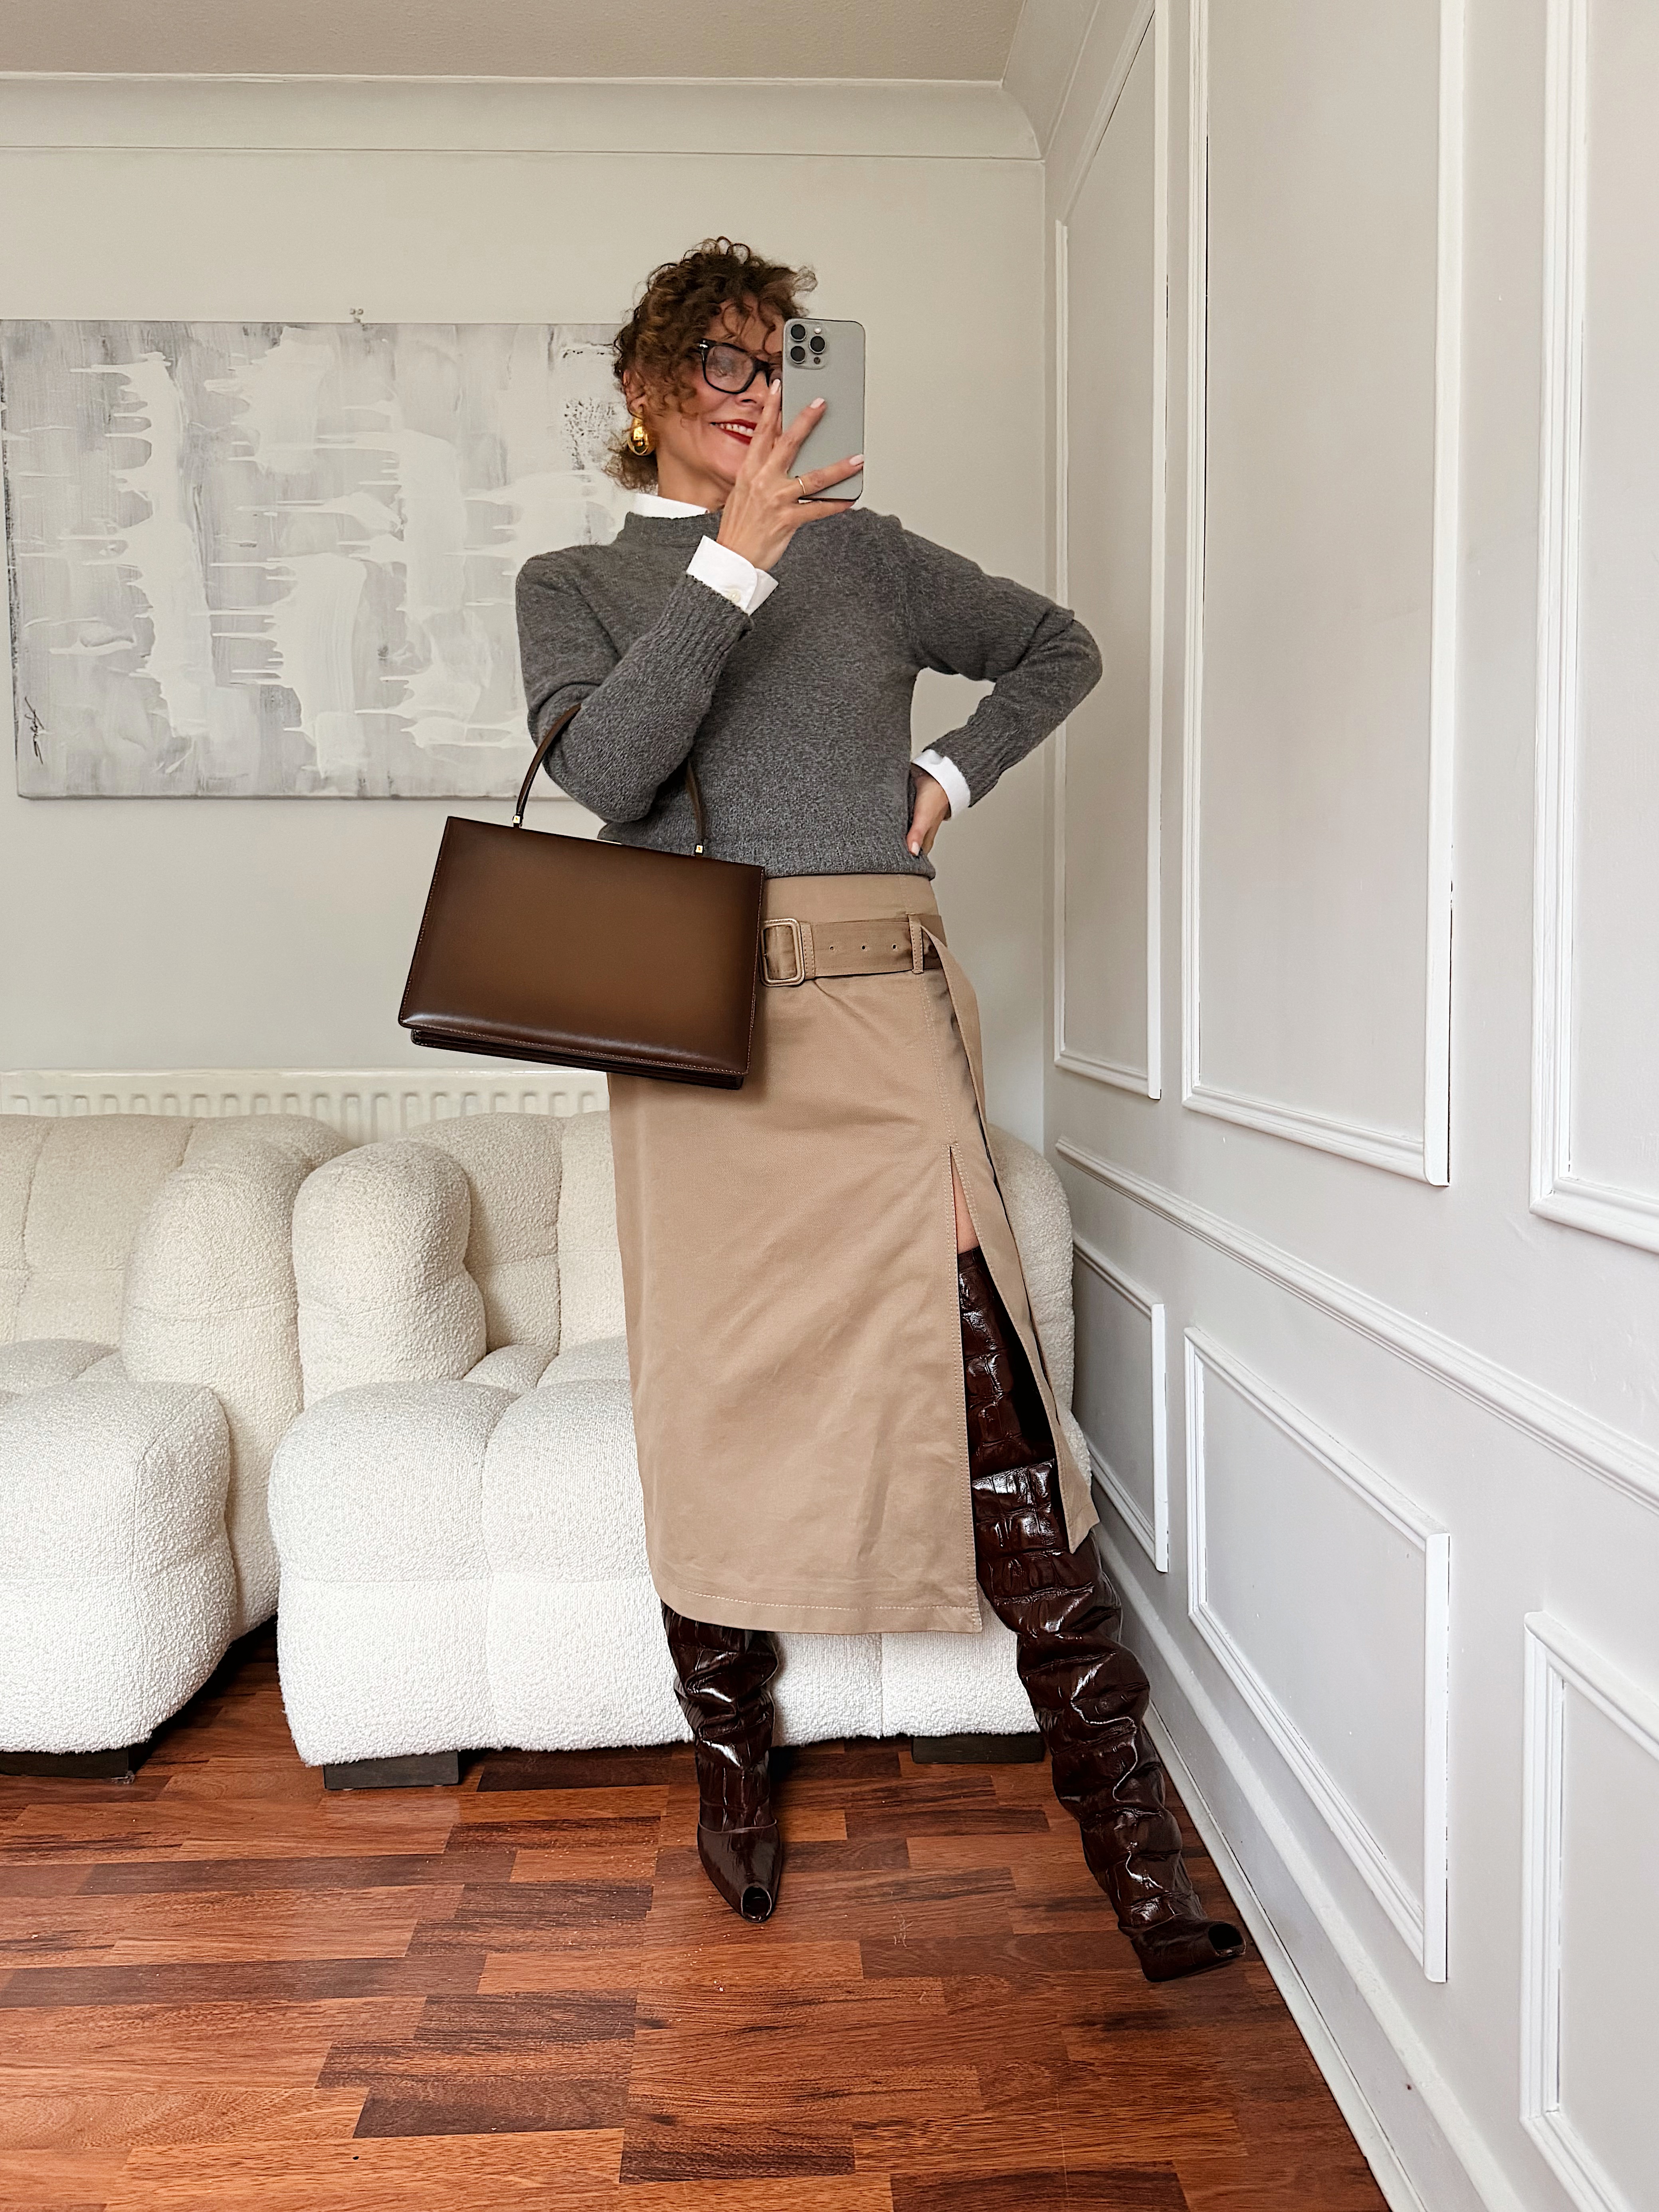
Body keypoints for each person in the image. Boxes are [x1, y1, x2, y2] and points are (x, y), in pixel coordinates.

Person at [515, 238, 1243, 1982]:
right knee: (713, 1396)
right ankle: (730, 1760)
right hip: (693, 1036)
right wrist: (731, 570)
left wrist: (947, 768)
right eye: (712, 364)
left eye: (771, 359)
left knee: (987, 1380)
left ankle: (1132, 1847)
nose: (747, 391)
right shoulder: (573, 580)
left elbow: (1056, 649)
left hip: (876, 1012)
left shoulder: (881, 562)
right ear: (642, 396)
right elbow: (603, 776)